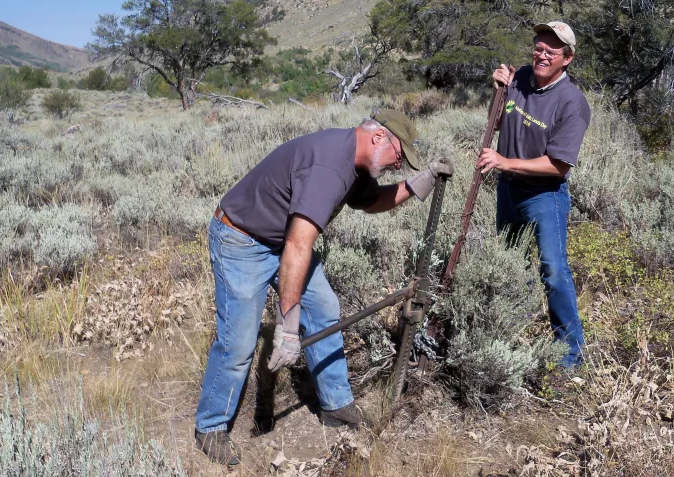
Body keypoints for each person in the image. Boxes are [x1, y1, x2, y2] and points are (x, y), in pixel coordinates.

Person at [194, 109, 454, 465]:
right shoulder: (330, 167)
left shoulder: (355, 160)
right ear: (378, 138)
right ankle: (210, 427)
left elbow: (371, 202)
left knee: (324, 308)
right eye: (399, 156)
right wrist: (287, 326)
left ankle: (336, 405)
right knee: (238, 340)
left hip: (280, 240)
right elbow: (299, 246)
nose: (398, 166)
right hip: (241, 240)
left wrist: (418, 183)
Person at [476, 21, 591, 368]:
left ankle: (571, 354)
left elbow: (559, 167)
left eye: (550, 51)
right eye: (538, 47)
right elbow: (496, 123)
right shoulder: (521, 77)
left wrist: (503, 161)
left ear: (566, 59)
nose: (541, 55)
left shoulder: (572, 104)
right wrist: (497, 90)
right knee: (509, 264)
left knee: (554, 271)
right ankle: (515, 329)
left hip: (544, 196)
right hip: (508, 190)